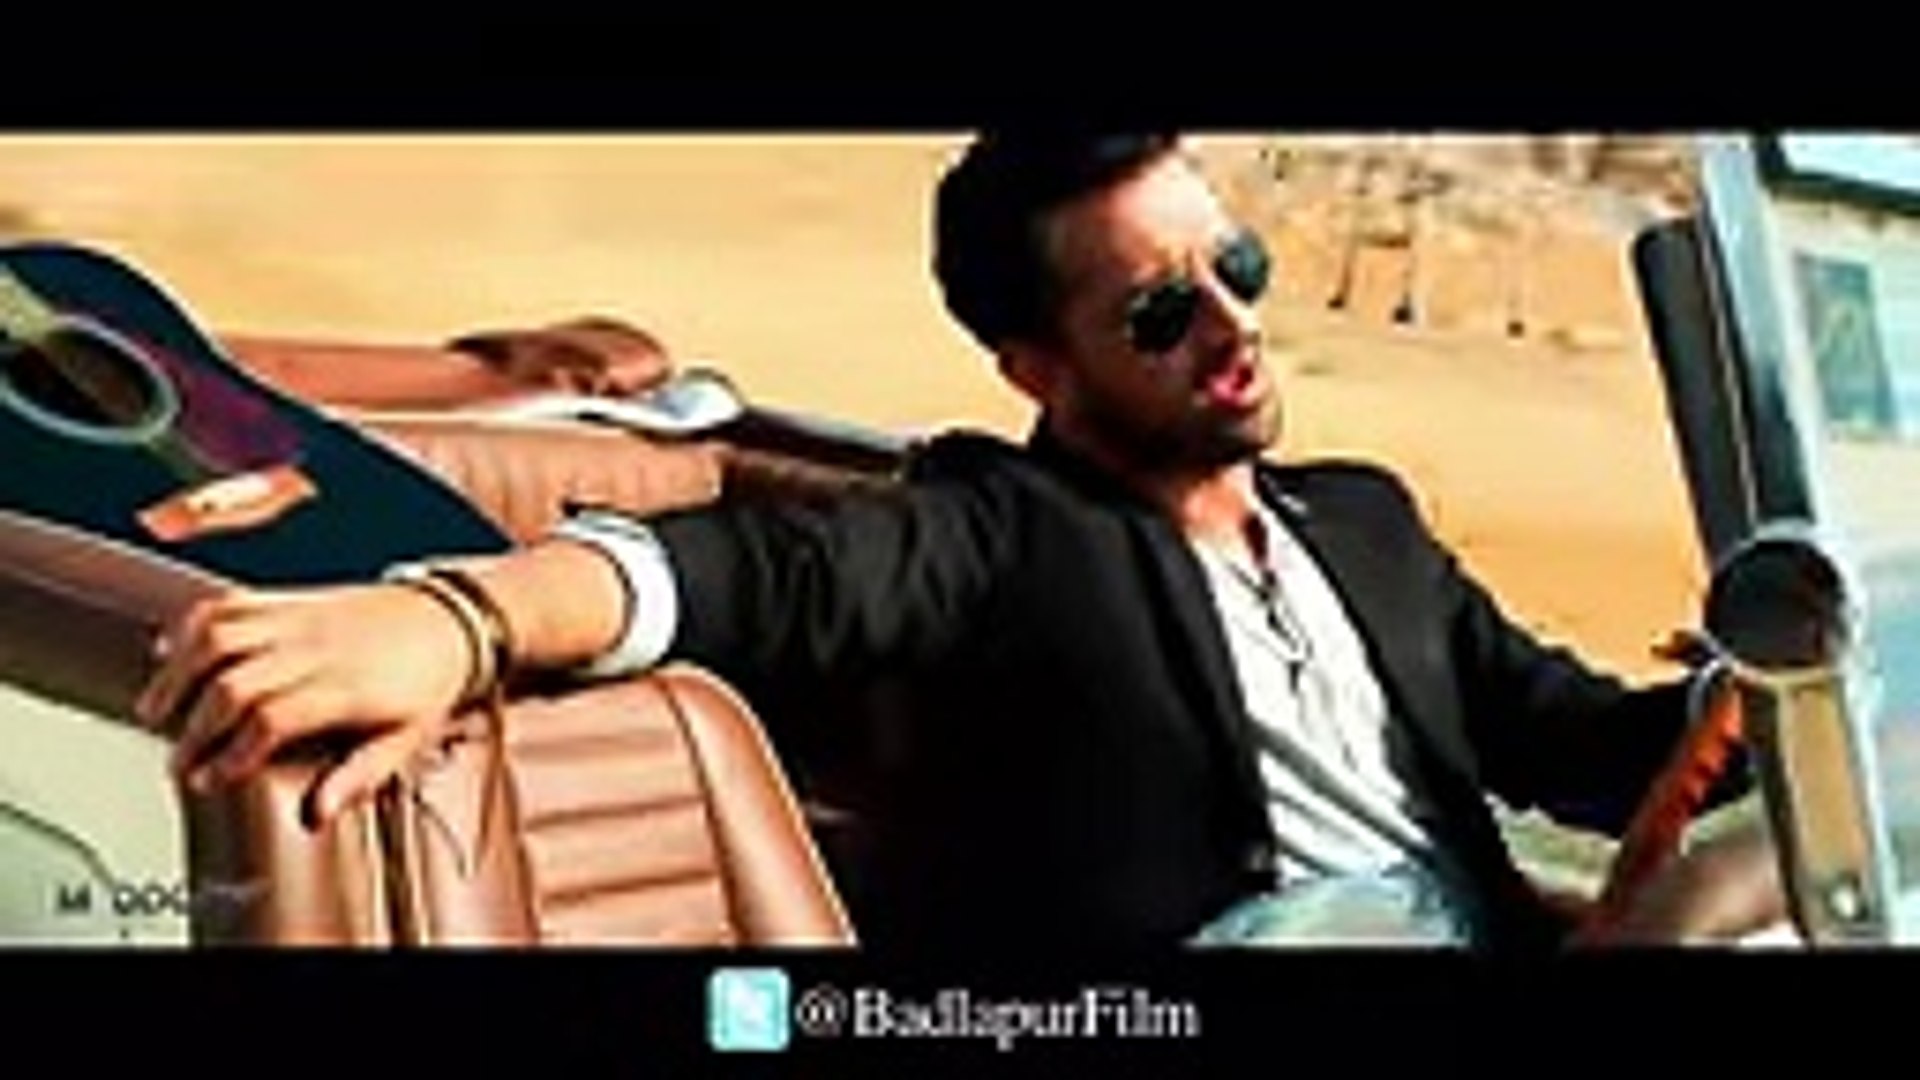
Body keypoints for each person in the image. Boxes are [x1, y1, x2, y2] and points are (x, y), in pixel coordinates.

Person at [135, 132, 1782, 952]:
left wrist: (1777, 696)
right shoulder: (1004, 538)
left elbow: (1584, 748)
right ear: (1037, 370)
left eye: (1239, 271)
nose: (1231, 332)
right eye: (1160, 313)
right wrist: (458, 621)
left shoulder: (1369, 523)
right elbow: (731, 573)